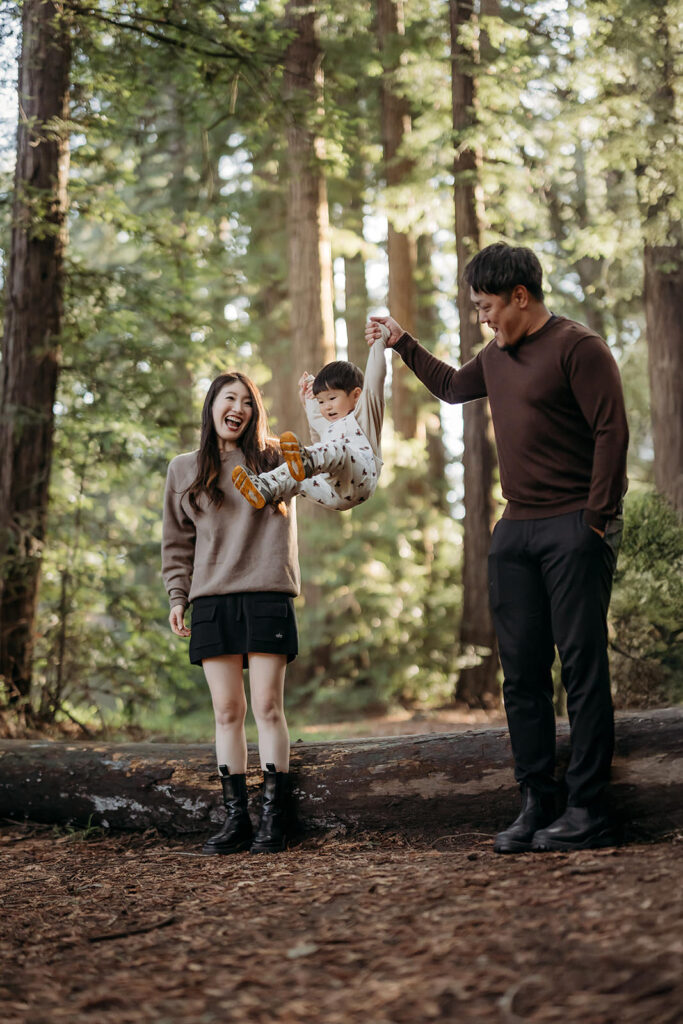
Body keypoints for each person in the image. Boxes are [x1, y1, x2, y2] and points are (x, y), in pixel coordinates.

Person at [367, 242, 629, 854]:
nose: (483, 319)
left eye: (487, 307)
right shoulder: (495, 356)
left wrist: (596, 521)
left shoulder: (578, 347)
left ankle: (589, 808)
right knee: (522, 674)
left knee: (582, 669)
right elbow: (452, 387)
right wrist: (403, 343)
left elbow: (611, 432)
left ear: (520, 296)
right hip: (516, 532)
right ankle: (538, 801)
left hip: (574, 526)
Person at [162, 372, 300, 855]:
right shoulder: (183, 469)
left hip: (267, 593)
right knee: (226, 711)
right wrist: (177, 597)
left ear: (254, 412)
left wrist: (317, 405)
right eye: (229, 399)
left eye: (247, 402)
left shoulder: (275, 460)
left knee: (267, 707)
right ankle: (236, 818)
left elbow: (328, 463)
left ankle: (273, 818)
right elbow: (177, 544)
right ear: (212, 406)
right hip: (211, 600)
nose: (238, 408)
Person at [232, 326, 388, 512]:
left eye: (332, 398)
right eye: (321, 401)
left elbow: (375, 380)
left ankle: (307, 461)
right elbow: (317, 432)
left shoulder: (365, 416)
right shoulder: (328, 425)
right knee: (298, 478)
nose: (326, 406)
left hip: (361, 478)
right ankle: (266, 487)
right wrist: (308, 397)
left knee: (337, 450)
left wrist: (379, 342)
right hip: (332, 494)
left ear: (356, 395)